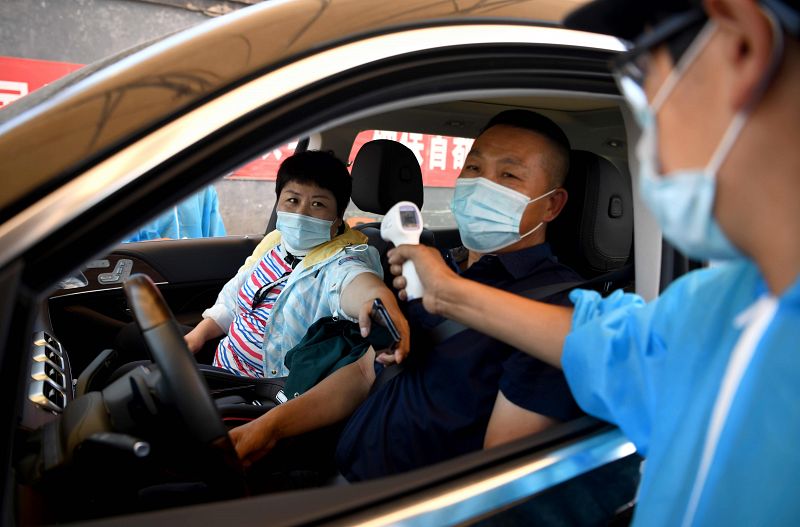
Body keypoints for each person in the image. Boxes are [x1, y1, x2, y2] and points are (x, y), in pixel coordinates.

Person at [387, 1, 800, 525]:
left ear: (742, 45)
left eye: (640, 72)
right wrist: (445, 292)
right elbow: (606, 343)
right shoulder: (720, 303)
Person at [230, 110, 585, 480]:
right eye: (474, 168)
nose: (482, 185)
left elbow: (496, 478)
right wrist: (268, 428)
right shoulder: (431, 267)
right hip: (335, 468)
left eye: (508, 175)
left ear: (552, 204)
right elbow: (366, 372)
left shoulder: (557, 316)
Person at [183, 150, 409, 378]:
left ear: (338, 218)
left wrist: (378, 303)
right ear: (278, 203)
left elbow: (358, 284)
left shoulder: (341, 260)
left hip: (259, 395)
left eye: (318, 204)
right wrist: (197, 336)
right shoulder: (274, 245)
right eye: (292, 200)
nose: (301, 213)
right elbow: (233, 302)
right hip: (220, 368)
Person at [124, 185, 226, 241]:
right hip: (145, 271)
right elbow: (121, 248)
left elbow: (217, 243)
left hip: (194, 270)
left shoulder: (204, 190)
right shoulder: (136, 191)